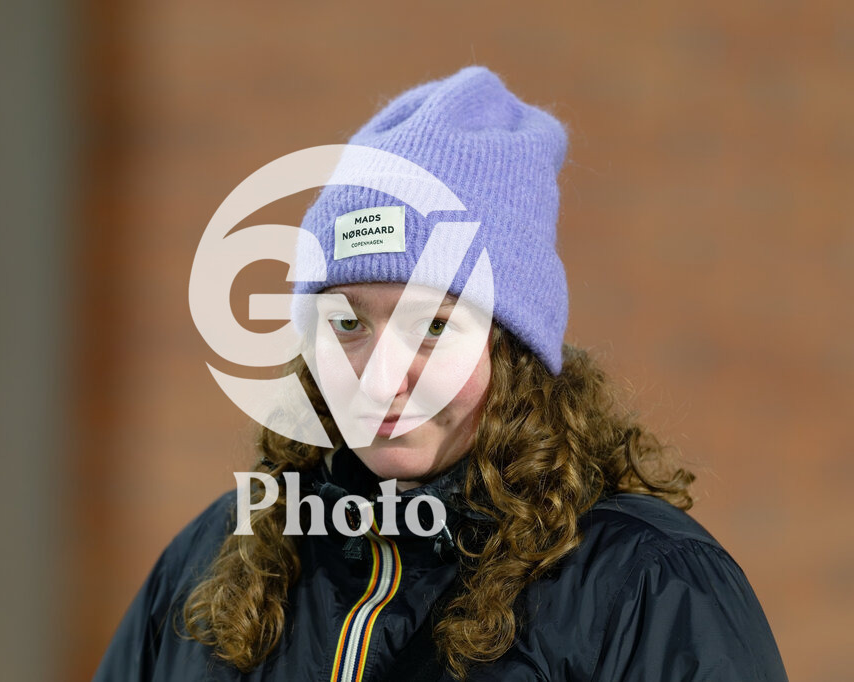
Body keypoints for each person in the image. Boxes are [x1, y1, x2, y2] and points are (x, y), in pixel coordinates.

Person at [94, 66, 788, 681]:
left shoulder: (650, 588)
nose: (378, 378)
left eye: (432, 327)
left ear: (510, 346)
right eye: (348, 324)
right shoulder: (214, 563)